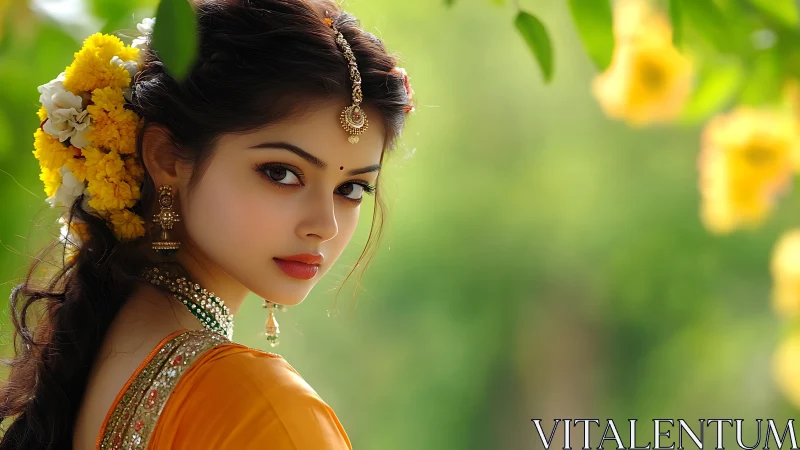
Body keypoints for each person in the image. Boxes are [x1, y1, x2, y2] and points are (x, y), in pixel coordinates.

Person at [0, 0, 415, 448]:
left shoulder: (102, 351)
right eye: (281, 173)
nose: (325, 225)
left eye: (351, 188)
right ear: (166, 158)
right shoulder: (264, 408)